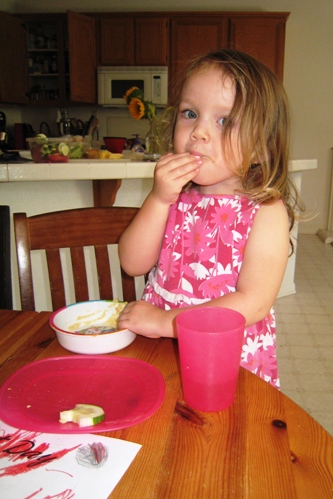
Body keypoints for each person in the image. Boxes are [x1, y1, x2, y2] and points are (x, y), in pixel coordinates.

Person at [118, 49, 303, 388]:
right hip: (160, 350)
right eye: (190, 113)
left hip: (225, 360)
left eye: (224, 121)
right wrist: (159, 199)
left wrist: (165, 322)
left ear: (262, 144)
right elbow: (132, 262)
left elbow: (253, 302)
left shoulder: (265, 211)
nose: (199, 132)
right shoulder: (173, 196)